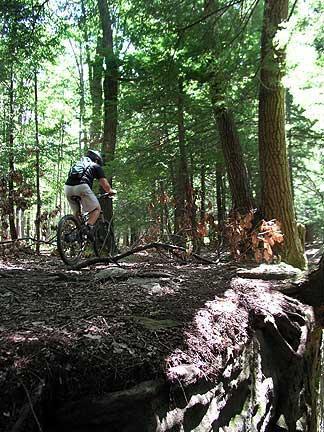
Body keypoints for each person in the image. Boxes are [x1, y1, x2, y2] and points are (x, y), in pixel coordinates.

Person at [64, 149, 116, 237]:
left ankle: (77, 235)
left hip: (68, 188)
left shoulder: (77, 164)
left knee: (77, 213)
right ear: (96, 159)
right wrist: (110, 191)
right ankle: (87, 228)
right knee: (96, 209)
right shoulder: (95, 165)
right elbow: (104, 184)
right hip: (82, 187)